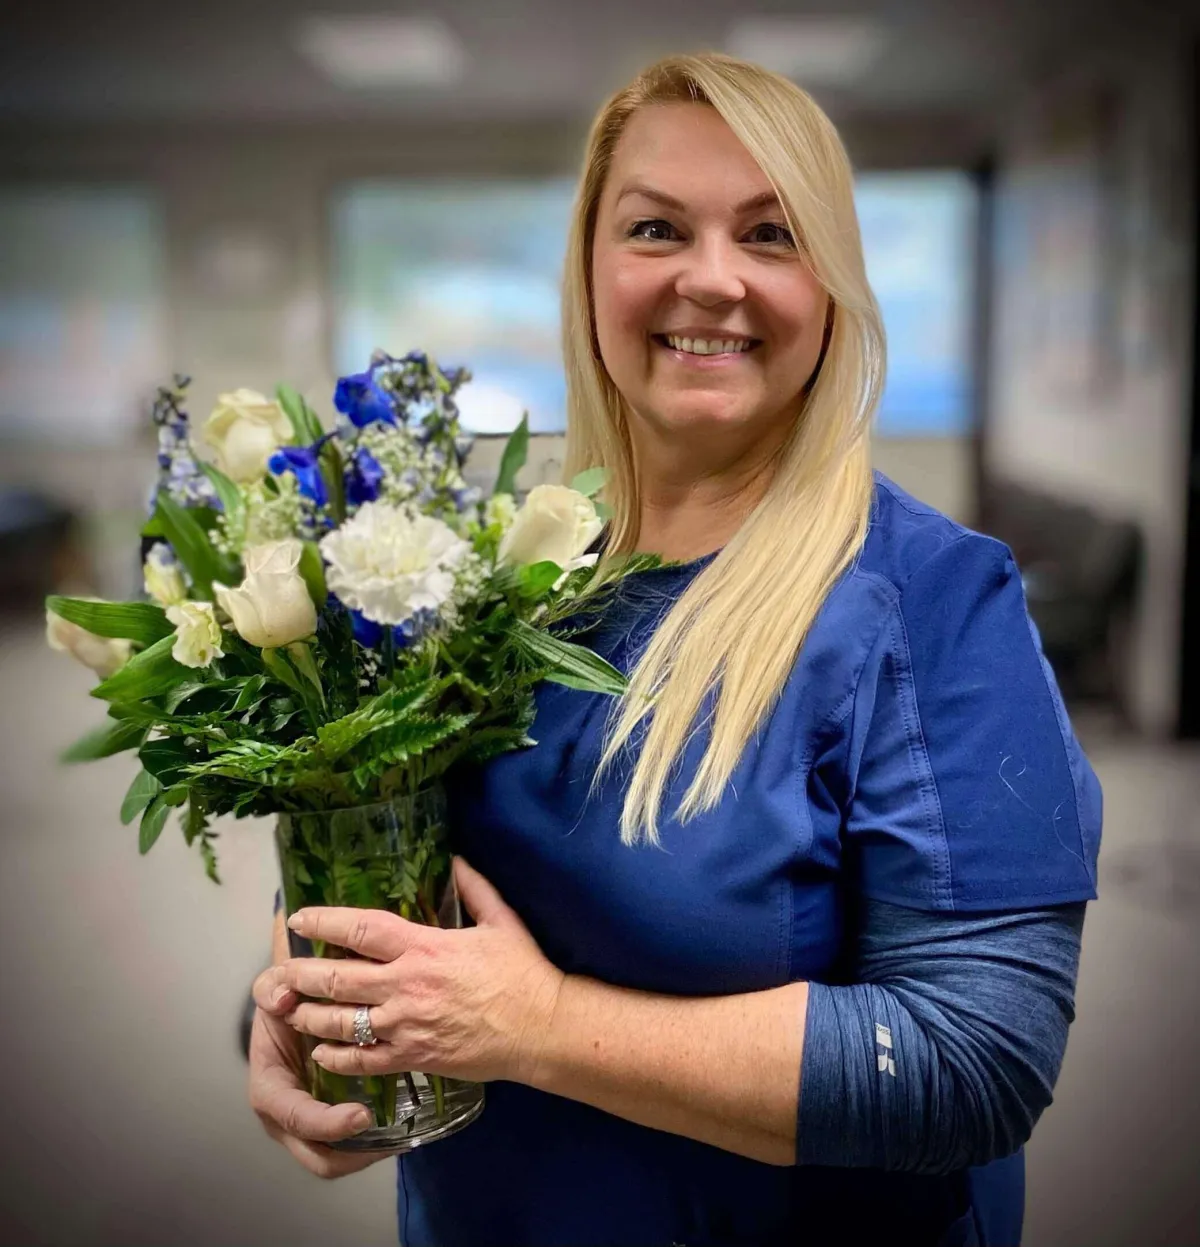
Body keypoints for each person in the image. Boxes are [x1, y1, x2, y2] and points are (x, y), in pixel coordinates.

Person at [248, 52, 1101, 1246]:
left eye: (771, 234)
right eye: (656, 228)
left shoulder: (937, 601)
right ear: (591, 272)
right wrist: (302, 1015)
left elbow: (975, 1057)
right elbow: (417, 893)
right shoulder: (501, 574)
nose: (713, 280)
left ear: (835, 285)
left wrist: (540, 1025)